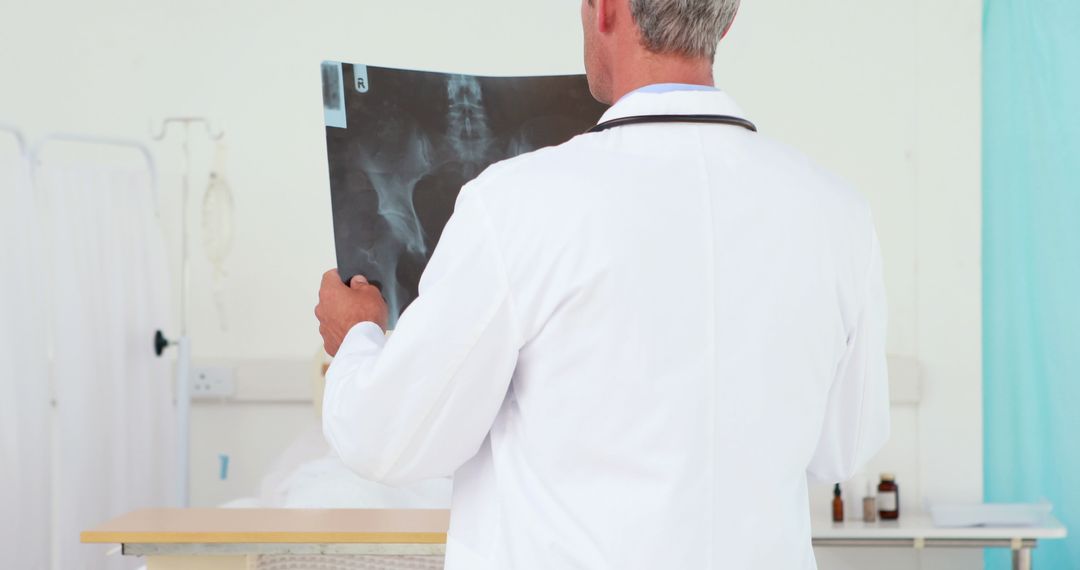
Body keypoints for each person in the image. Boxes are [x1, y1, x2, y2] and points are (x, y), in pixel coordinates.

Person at [314, 0, 890, 567]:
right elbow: (845, 449)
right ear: (727, 18)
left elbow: (390, 438)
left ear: (607, 9)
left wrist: (359, 337)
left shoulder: (516, 205)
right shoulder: (838, 214)